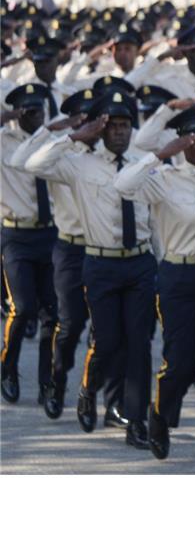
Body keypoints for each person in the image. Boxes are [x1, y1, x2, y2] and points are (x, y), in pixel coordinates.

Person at [24, 91, 157, 446]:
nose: (119, 131)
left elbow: (157, 212)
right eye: (112, 126)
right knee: (106, 341)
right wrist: (74, 136)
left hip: (140, 262)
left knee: (139, 344)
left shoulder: (141, 162)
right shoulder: (80, 163)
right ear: (101, 129)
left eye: (125, 125)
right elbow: (32, 164)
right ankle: (86, 388)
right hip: (99, 262)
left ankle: (136, 421)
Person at [115, 104, 195, 474]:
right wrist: (160, 154)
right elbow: (123, 185)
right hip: (178, 276)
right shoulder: (163, 178)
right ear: (182, 140)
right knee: (180, 363)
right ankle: (161, 413)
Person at [1, 84, 58, 406]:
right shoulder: (4, 141)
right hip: (16, 236)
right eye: (29, 110)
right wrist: (5, 117)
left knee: (52, 313)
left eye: (40, 110)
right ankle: (7, 368)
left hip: (50, 235)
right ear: (18, 112)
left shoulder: (51, 141)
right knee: (22, 308)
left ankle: (46, 381)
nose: (36, 116)